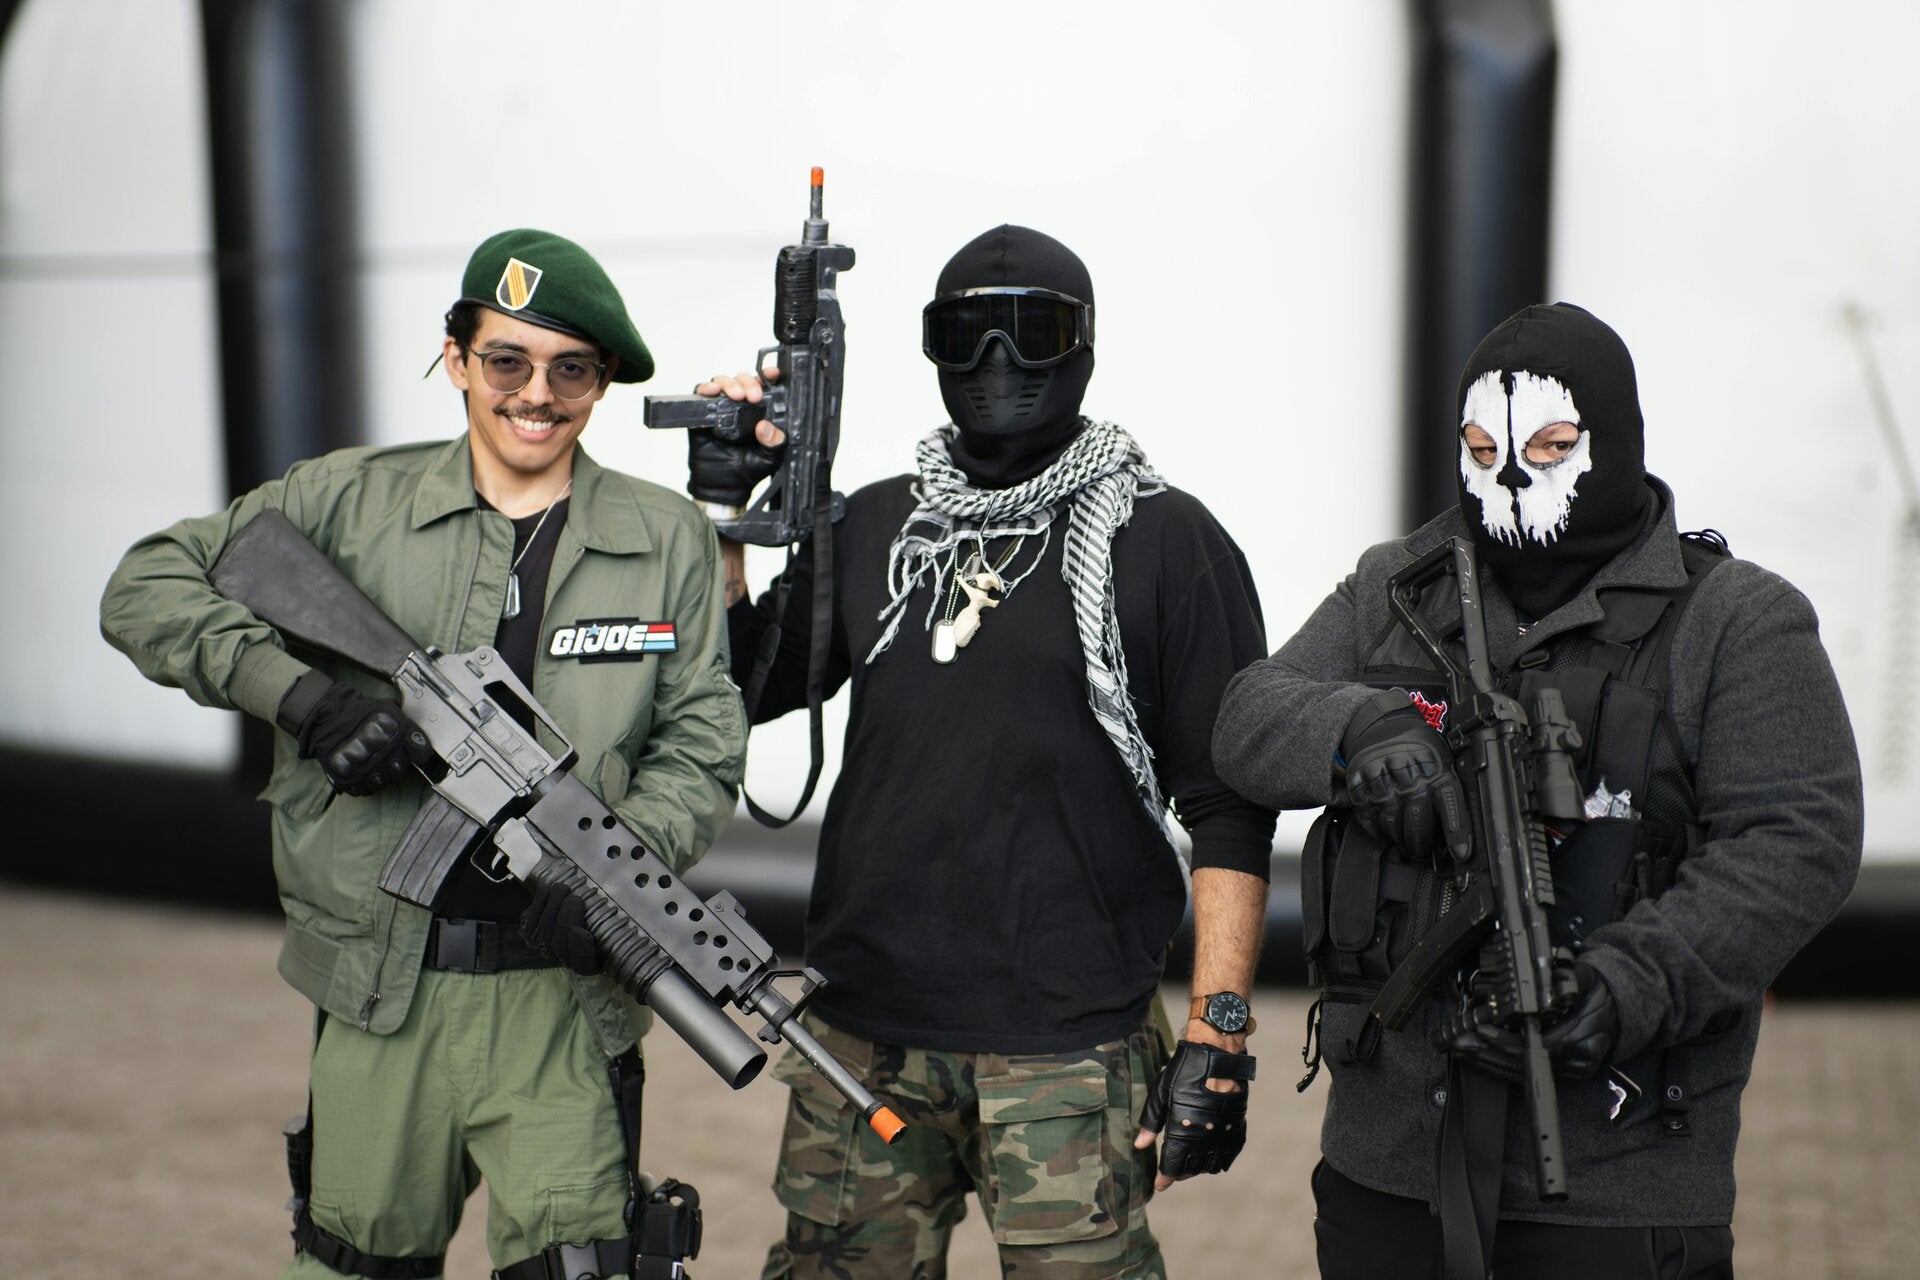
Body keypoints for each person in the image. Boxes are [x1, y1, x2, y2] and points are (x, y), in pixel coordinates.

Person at [99, 229, 747, 1279]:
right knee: (353, 1263)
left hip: (559, 1002)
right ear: (455, 358)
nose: (536, 394)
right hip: (381, 991)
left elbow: (704, 742)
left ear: (601, 384)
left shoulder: (665, 534)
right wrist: (302, 699)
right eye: (507, 360)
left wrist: (622, 857)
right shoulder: (348, 499)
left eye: (571, 370)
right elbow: (144, 586)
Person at [1212, 302, 1864, 1279]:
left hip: (1609, 1181)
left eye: (1552, 446)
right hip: (1386, 1172)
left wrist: (1628, 982)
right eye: (1483, 449)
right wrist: (1361, 729)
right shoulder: (1397, 586)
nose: (1512, 476)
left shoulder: (1735, 620)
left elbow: (1798, 840)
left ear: (1617, 440)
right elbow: (1248, 716)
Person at [691, 224, 1277, 1279]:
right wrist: (727, 519)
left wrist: (1219, 1034)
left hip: (1066, 1046)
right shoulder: (876, 523)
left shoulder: (1167, 540)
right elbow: (747, 682)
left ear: (1083, 344)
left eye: (1031, 332)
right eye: (965, 336)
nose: (997, 364)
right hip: (860, 1032)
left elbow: (1229, 806)